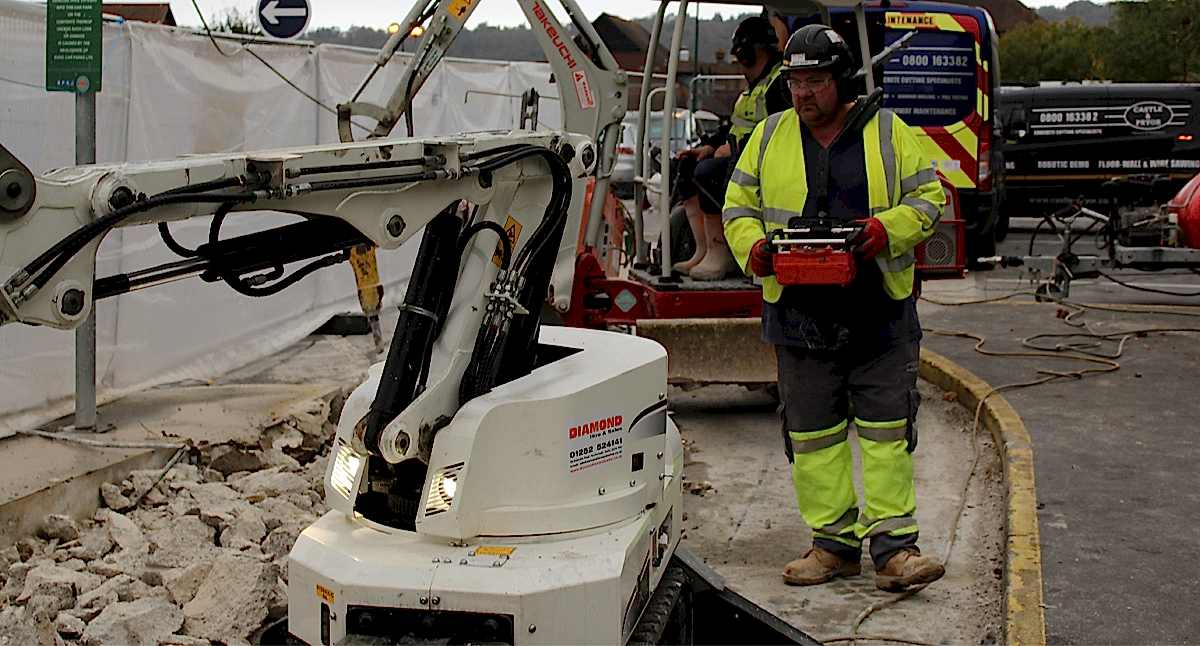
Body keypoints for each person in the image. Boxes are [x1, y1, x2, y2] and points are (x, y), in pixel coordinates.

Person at [722, 24, 947, 591]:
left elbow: (928, 198)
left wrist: (885, 229)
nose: (803, 93)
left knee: (886, 432)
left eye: (816, 80)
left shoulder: (889, 132)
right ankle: (833, 546)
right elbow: (736, 205)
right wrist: (753, 247)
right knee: (814, 436)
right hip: (798, 315)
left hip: (878, 311)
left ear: (841, 80)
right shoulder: (770, 135)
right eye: (796, 81)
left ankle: (896, 549)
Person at [671, 15, 790, 280]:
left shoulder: (778, 85)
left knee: (709, 172)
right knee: (688, 166)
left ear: (749, 54)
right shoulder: (753, 88)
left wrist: (737, 150)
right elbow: (735, 125)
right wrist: (710, 146)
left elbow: (779, 133)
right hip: (740, 155)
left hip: (763, 162)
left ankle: (720, 253)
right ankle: (702, 250)